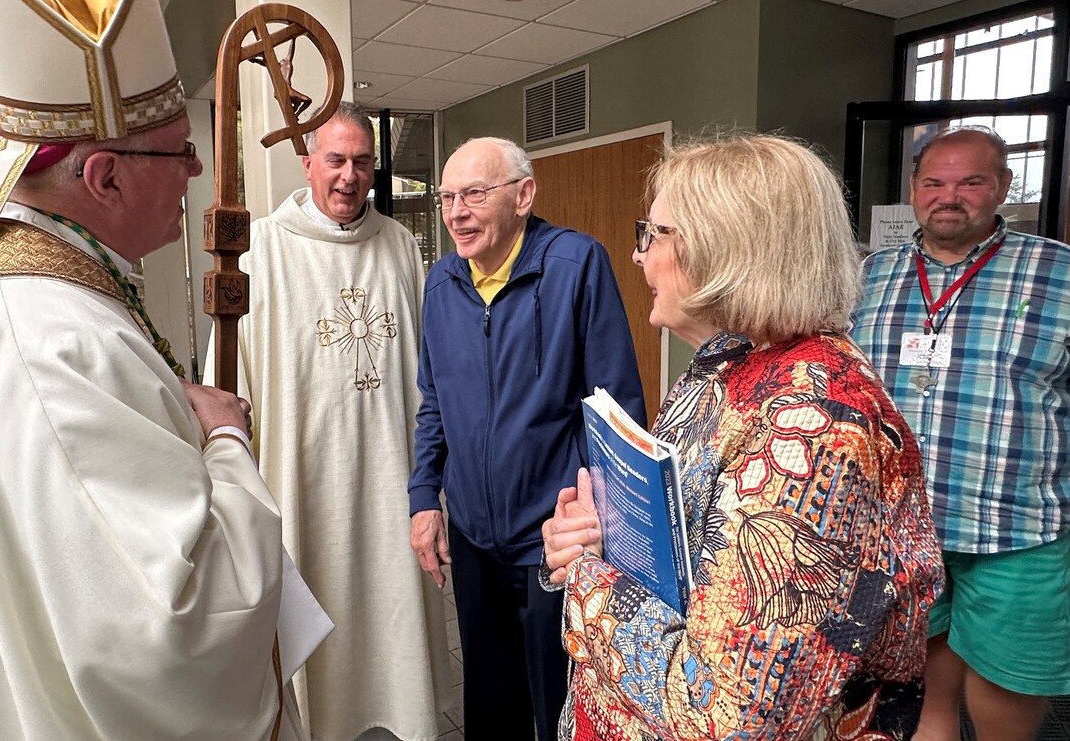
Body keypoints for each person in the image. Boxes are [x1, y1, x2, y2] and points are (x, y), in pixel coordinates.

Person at [0, 0, 323, 738]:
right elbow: (179, 624)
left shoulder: (45, 299)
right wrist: (224, 441)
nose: (195, 174)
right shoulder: (47, 343)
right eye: (180, 153)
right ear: (103, 176)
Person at [543, 135, 943, 740]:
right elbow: (683, 546)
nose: (637, 255)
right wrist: (593, 532)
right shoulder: (728, 359)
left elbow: (723, 719)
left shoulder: (818, 433)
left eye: (654, 234)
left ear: (725, 247)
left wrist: (586, 579)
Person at [208, 100, 449, 741]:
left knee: (393, 623)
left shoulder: (400, 247)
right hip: (303, 482)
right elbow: (230, 384)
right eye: (336, 160)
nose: (349, 176)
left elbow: (428, 372)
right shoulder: (260, 248)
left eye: (363, 162)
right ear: (308, 162)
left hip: (392, 477)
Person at [409, 136, 647, 741]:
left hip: (555, 537)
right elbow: (433, 405)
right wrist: (423, 500)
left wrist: (607, 529)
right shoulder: (441, 284)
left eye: (474, 194)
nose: (456, 212)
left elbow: (614, 406)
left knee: (562, 704)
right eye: (447, 198)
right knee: (490, 706)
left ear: (523, 195)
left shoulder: (575, 264)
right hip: (472, 535)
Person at [849, 126, 1070, 741]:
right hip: (902, 523)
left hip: (1017, 524)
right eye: (934, 182)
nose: (950, 196)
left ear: (1002, 187)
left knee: (1007, 683)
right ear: (915, 191)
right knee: (924, 678)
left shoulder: (1057, 271)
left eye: (971, 181)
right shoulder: (868, 275)